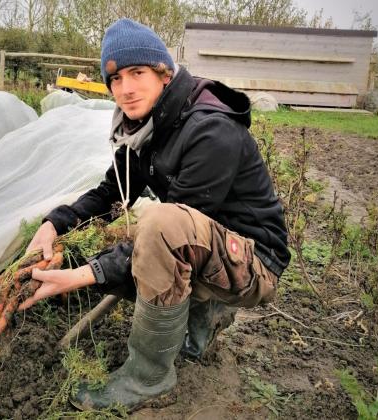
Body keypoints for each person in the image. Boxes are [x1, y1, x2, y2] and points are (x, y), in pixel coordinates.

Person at [20, 18, 290, 412]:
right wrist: (53, 223)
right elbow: (109, 191)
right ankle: (201, 321)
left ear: (164, 73)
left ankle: (149, 378)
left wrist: (84, 275)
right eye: (114, 79)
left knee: (160, 224)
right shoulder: (146, 127)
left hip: (254, 262)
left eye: (137, 72)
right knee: (149, 230)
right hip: (213, 247)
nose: (124, 89)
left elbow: (178, 230)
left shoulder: (209, 129)